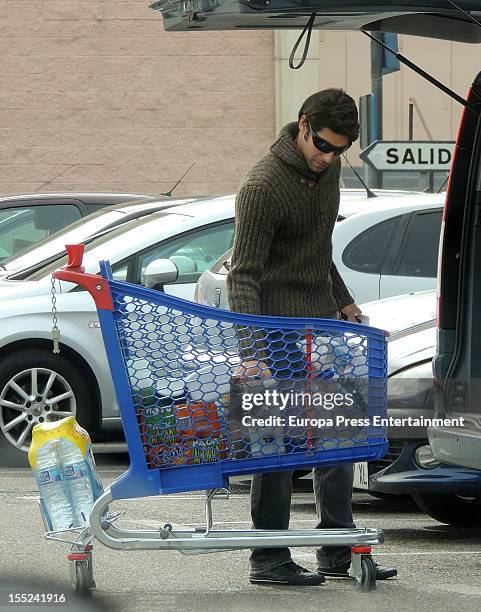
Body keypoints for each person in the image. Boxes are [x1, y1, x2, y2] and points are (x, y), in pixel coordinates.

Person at [227, 88, 397, 586]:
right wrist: (252, 354)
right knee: (275, 449)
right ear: (303, 125)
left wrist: (342, 300)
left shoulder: (329, 170)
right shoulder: (263, 186)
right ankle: (269, 558)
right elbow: (243, 275)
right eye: (323, 145)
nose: (329, 157)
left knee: (339, 441)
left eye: (340, 150)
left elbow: (317, 250)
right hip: (272, 334)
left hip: (319, 329)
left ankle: (337, 551)